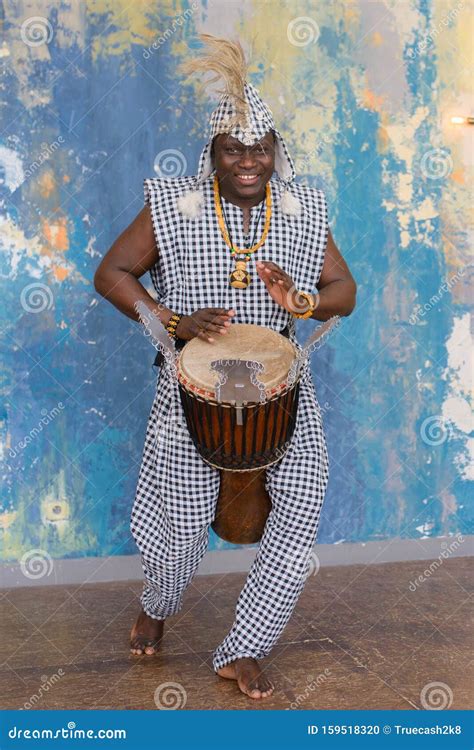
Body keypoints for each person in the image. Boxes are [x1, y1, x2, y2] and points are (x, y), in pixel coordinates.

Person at [94, 34, 356, 700]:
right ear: (212, 153)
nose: (249, 161)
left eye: (261, 148)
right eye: (234, 149)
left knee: (298, 521)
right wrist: (173, 321)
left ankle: (242, 648)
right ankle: (158, 602)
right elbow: (112, 273)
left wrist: (300, 299)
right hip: (189, 392)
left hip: (282, 390)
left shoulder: (301, 208)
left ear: (276, 152)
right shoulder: (175, 204)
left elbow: (344, 293)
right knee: (181, 533)